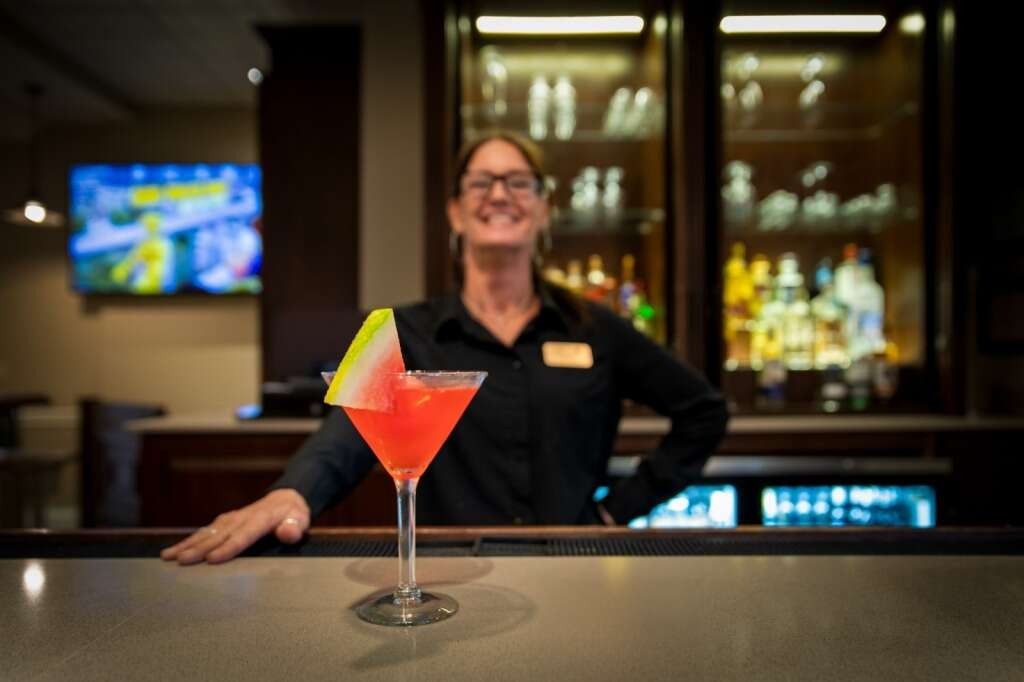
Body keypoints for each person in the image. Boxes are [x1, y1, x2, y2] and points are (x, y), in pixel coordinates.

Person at [162, 132, 729, 565]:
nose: (500, 194)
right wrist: (291, 493)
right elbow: (343, 435)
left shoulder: (596, 329)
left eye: (518, 181)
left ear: (544, 209)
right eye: (481, 182)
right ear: (456, 212)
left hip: (571, 568)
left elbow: (704, 411)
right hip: (447, 574)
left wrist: (613, 512)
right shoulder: (397, 328)